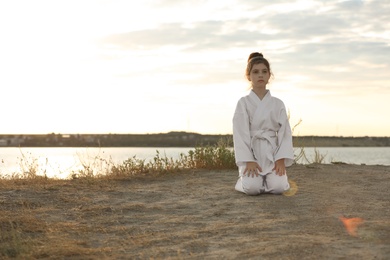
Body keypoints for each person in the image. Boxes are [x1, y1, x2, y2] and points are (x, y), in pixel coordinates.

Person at [233, 52, 294, 195]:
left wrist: (280, 159)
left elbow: (285, 132)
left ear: (269, 75)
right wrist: (248, 160)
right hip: (252, 153)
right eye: (255, 72)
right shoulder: (243, 103)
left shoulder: (278, 104)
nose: (260, 75)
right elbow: (240, 133)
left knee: (279, 188)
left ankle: (269, 181)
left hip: (272, 154)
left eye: (264, 72)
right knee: (252, 189)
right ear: (249, 76)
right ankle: (244, 180)